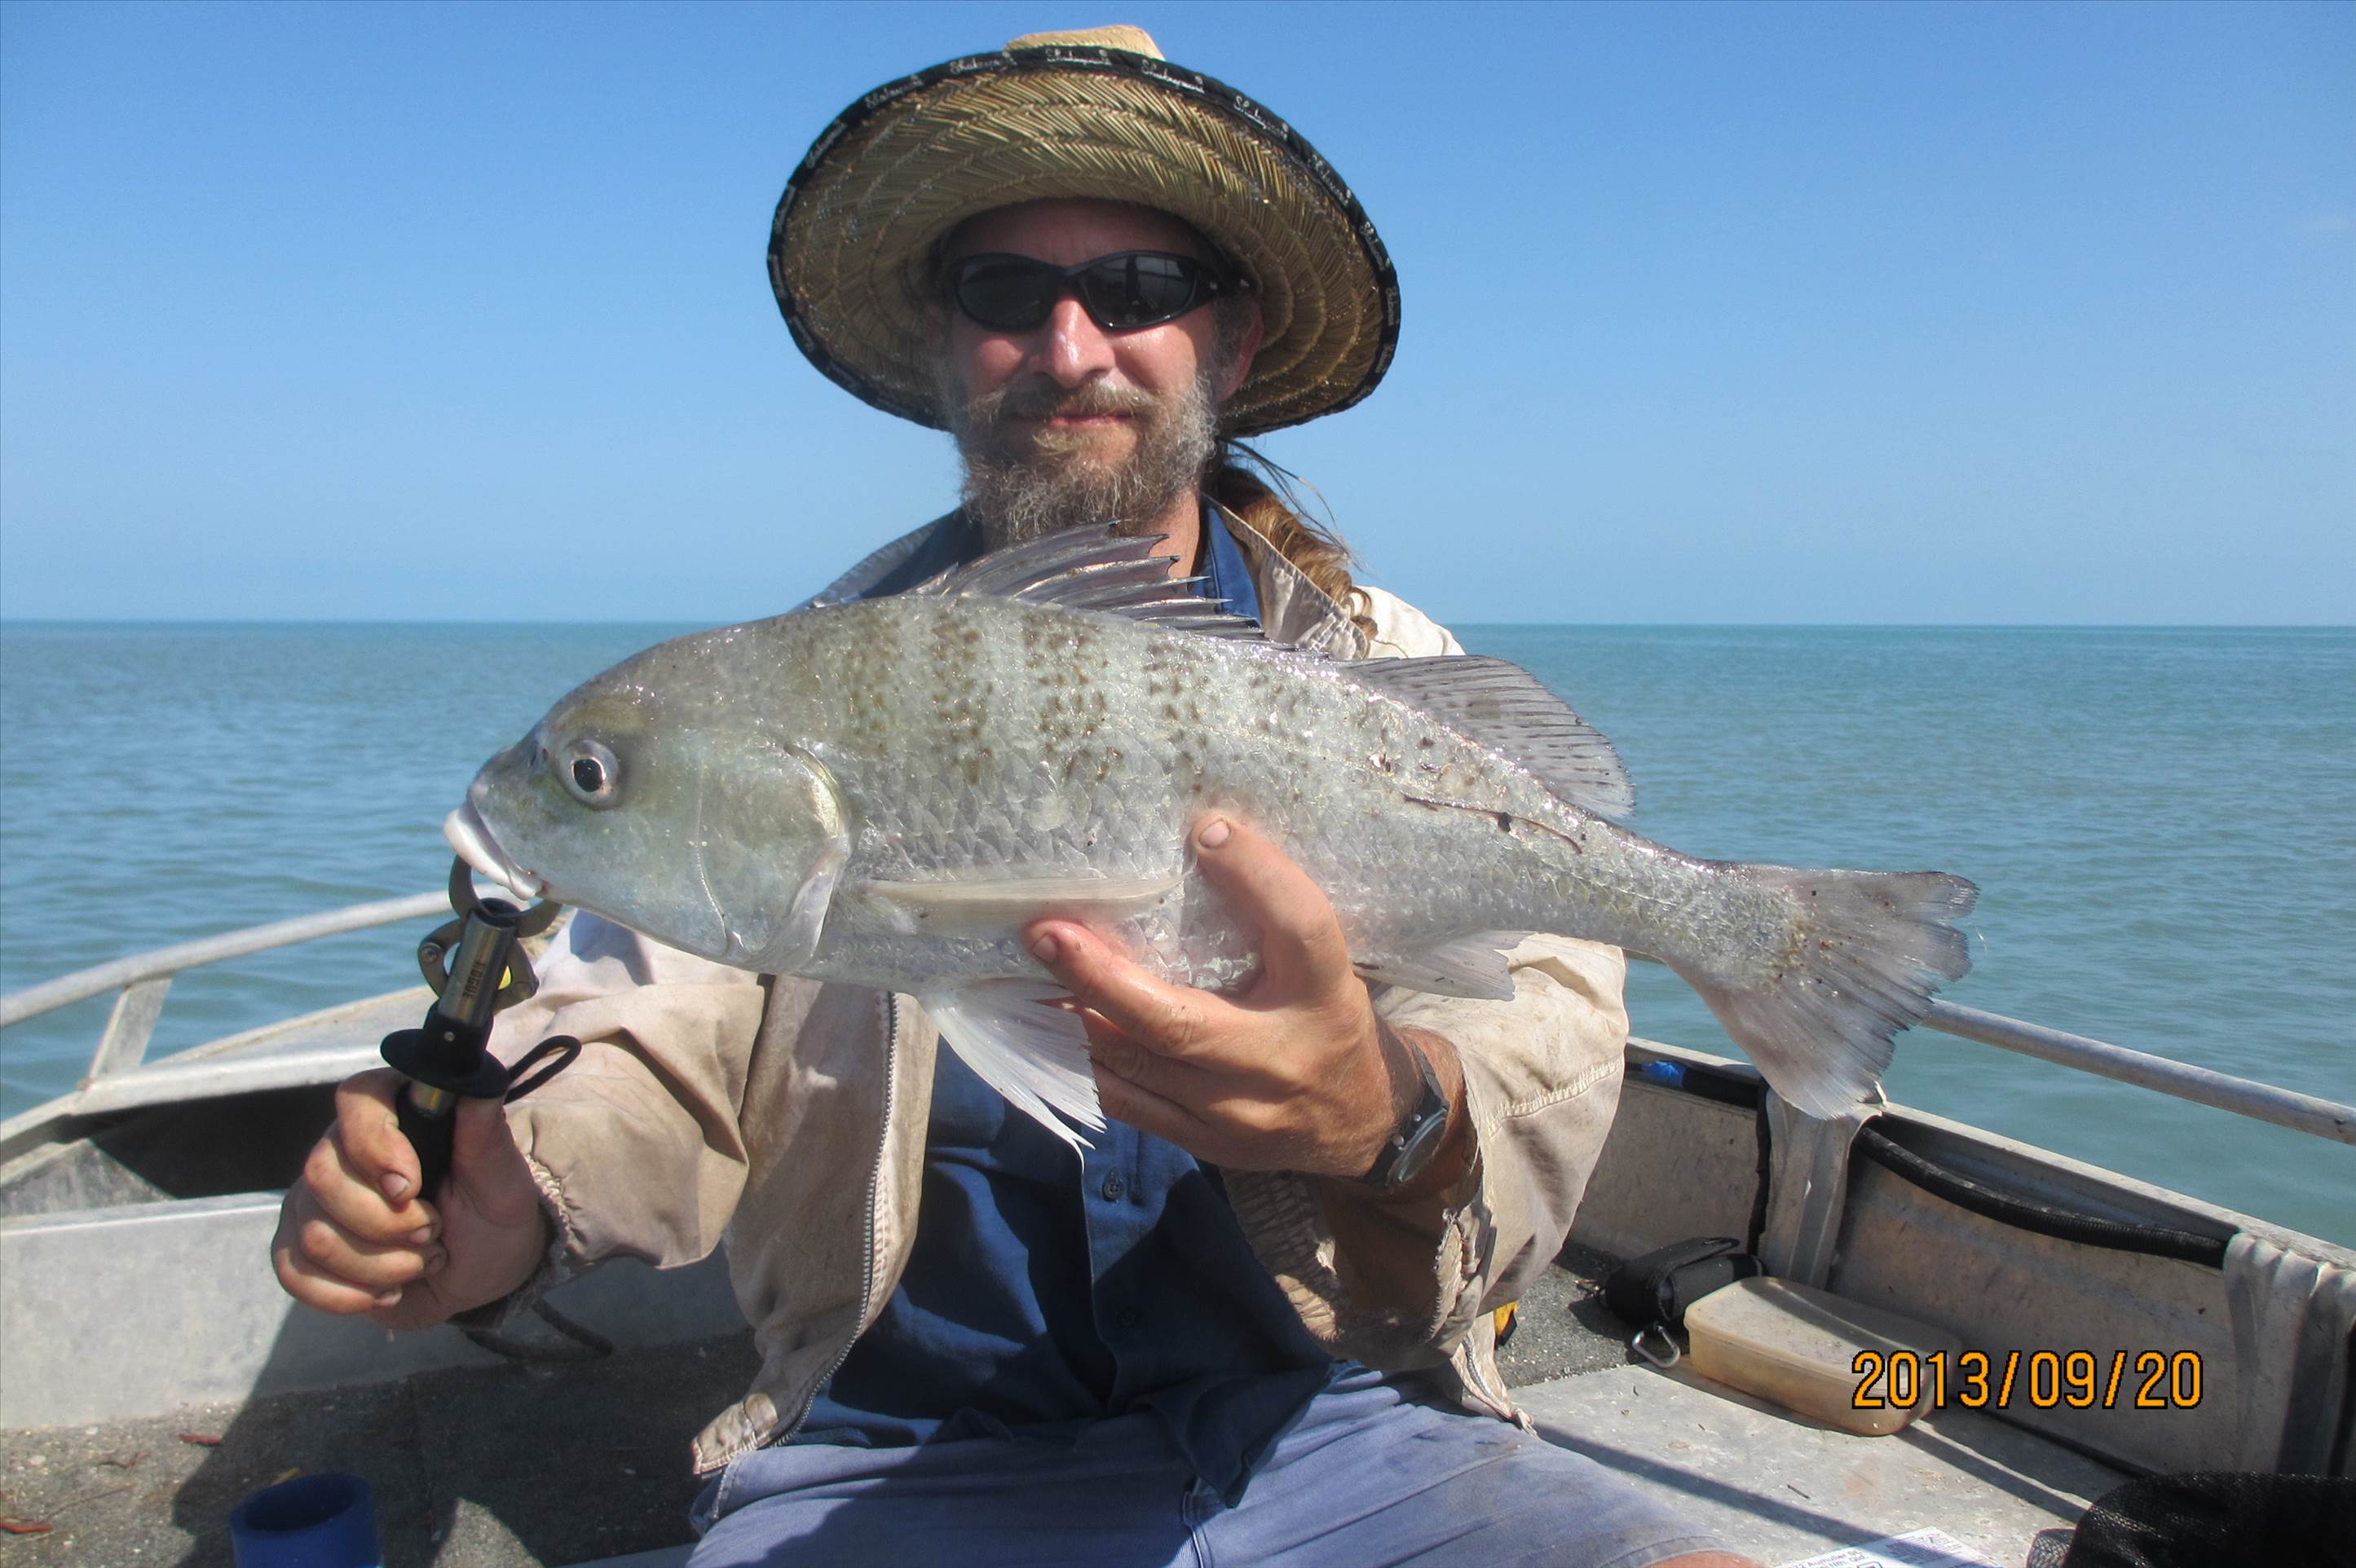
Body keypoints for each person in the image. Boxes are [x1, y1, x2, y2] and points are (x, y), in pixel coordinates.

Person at [274, 26, 1757, 1568]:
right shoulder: (787, 693)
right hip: (896, 1460)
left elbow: (1543, 1048)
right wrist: (513, 1196)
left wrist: (1390, 1113)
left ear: (1231, 342)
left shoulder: (1392, 676)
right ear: (942, 339)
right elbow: (648, 1024)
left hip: (1344, 1418)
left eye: (1139, 288)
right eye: (1001, 290)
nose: (1067, 346)